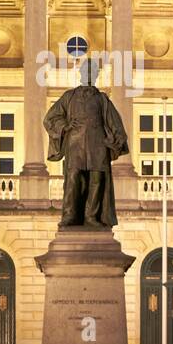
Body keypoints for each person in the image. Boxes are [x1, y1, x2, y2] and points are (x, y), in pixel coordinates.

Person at [43, 57, 129, 227]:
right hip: (75, 145)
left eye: (92, 72)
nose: (89, 74)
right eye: (86, 71)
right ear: (80, 73)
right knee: (73, 179)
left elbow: (115, 122)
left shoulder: (102, 99)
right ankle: (69, 215)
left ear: (96, 75)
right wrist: (65, 125)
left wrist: (116, 138)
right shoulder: (69, 96)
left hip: (98, 145)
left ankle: (91, 216)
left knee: (96, 180)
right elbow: (50, 118)